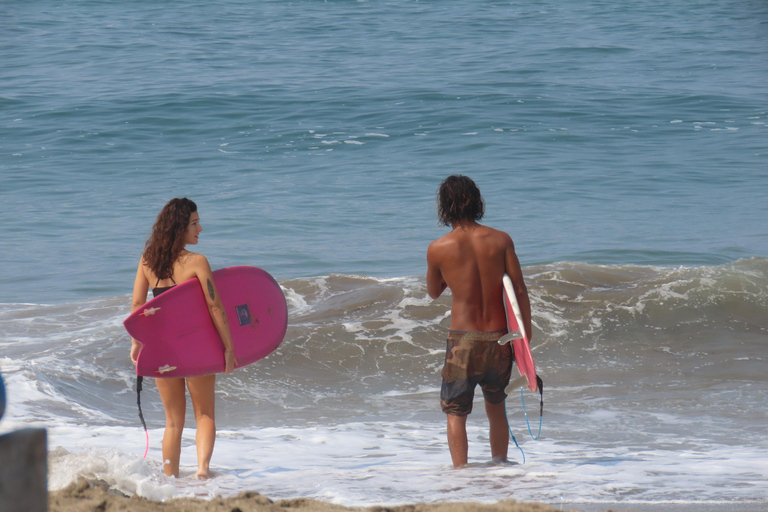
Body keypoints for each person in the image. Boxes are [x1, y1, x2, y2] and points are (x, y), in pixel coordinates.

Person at [426, 175, 532, 468]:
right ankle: (499, 467)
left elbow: (434, 292)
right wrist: (526, 334)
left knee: (456, 412)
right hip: (500, 338)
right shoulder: (501, 240)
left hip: (463, 341)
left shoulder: (438, 248)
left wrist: (454, 273)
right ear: (476, 200)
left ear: (445, 206)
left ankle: (461, 476)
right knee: (497, 407)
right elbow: (520, 289)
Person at [130, 198, 236, 479]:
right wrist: (228, 347)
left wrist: (138, 344)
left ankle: (170, 478)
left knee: (173, 422)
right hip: (196, 347)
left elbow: (138, 305)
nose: (200, 228)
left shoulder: (147, 260)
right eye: (194, 223)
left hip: (163, 349)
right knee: (205, 414)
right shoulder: (197, 262)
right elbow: (215, 306)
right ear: (179, 228)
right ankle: (202, 471)